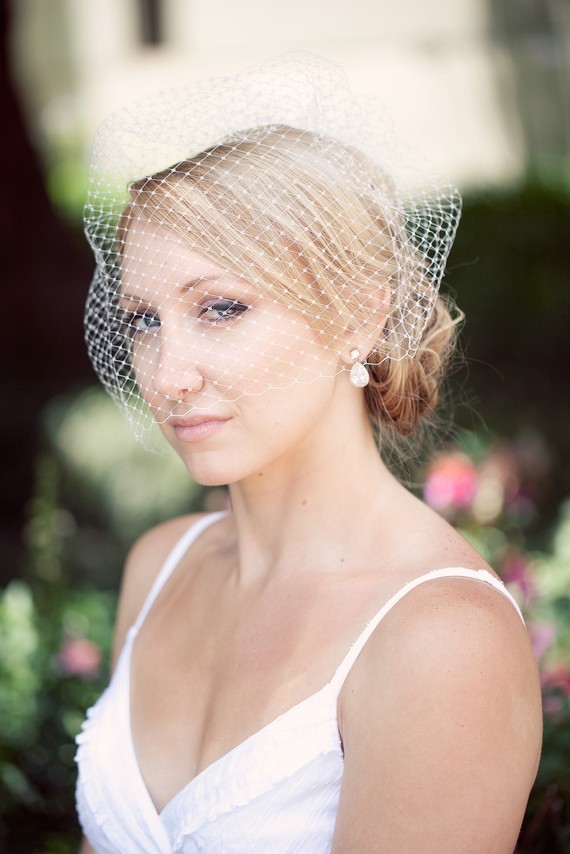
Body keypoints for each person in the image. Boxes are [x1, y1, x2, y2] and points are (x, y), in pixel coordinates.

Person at [75, 55, 542, 853]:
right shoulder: (160, 568)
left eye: (220, 308)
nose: (167, 375)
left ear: (360, 315)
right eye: (145, 319)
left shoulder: (438, 638)